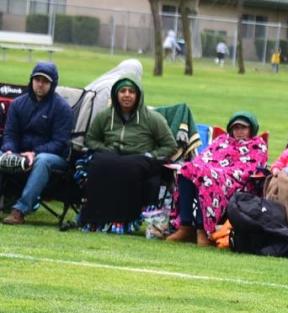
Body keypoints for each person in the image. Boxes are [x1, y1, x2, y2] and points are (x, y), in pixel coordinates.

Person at [80, 76, 176, 231]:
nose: (127, 95)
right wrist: (104, 149)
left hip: (140, 157)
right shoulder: (104, 116)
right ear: (116, 95)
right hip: (111, 154)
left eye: (131, 91)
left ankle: (123, 221)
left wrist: (151, 155)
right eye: (122, 91)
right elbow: (91, 140)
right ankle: (94, 218)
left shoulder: (153, 119)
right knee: (99, 163)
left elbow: (170, 145)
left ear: (138, 96)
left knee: (129, 167)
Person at [166, 112, 268, 245]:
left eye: (243, 128)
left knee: (206, 176)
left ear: (251, 129)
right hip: (211, 174)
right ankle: (186, 226)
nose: (239, 131)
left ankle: (201, 229)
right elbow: (203, 158)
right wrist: (205, 170)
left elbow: (252, 168)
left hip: (238, 181)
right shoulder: (221, 141)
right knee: (186, 170)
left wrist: (216, 172)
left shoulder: (257, 145)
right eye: (236, 128)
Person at [1, 62, 74, 225]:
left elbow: (60, 142)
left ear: (52, 84)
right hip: (19, 153)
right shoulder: (17, 104)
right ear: (31, 80)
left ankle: (19, 210)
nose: (40, 84)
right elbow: (10, 134)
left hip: (53, 158)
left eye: (45, 81)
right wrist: (9, 150)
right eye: (37, 79)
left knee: (42, 161)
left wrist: (34, 152)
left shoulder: (63, 108)